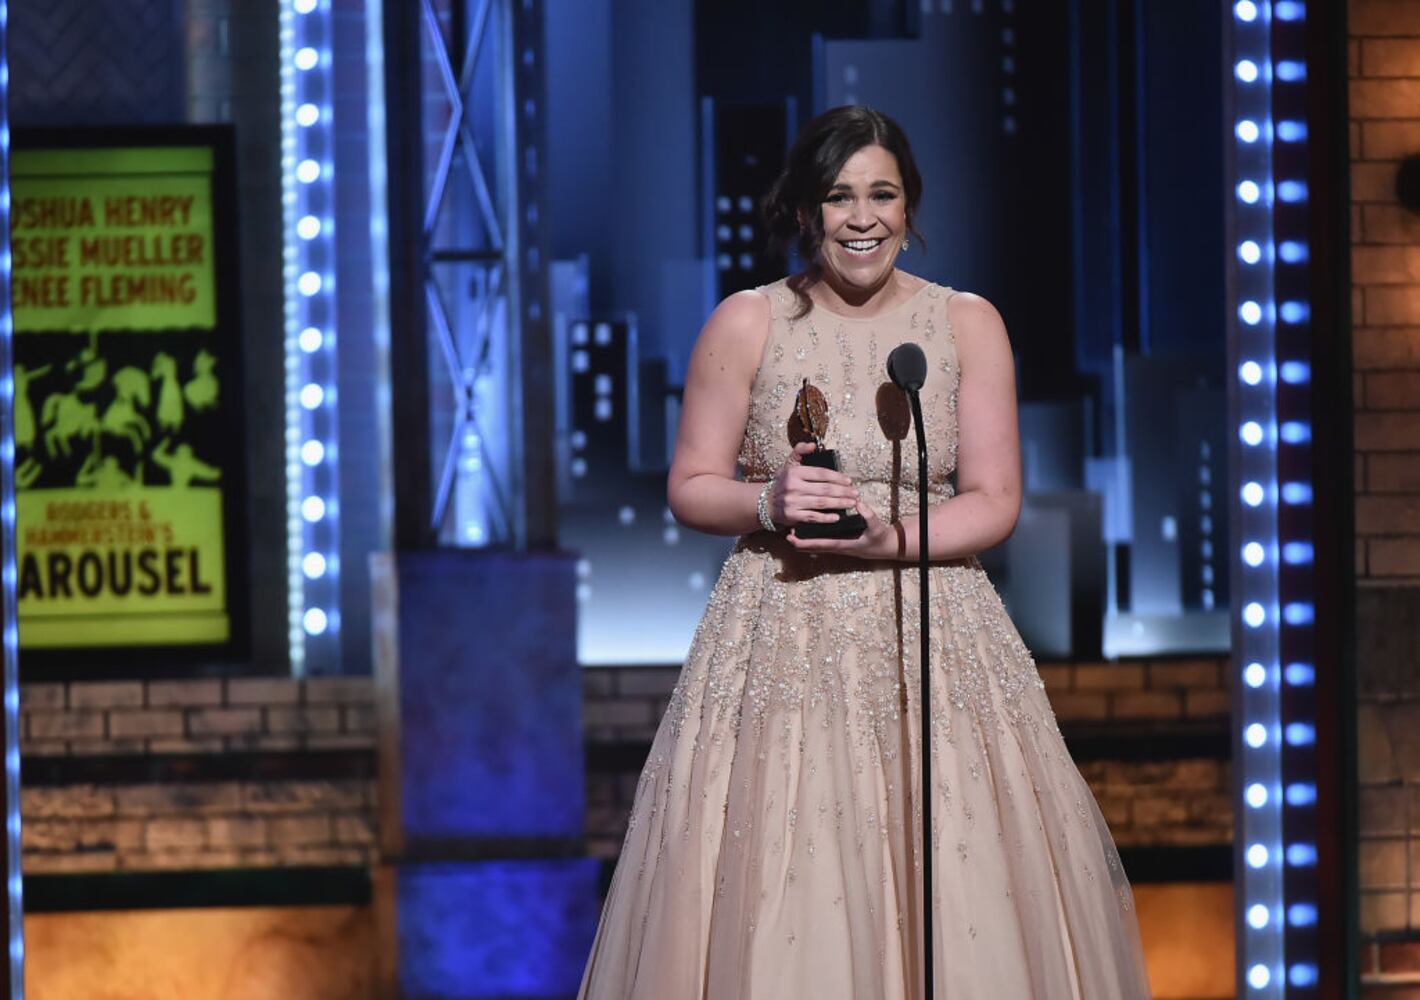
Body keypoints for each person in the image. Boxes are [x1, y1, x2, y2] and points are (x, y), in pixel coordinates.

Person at [577, 105, 1152, 999]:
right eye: (838, 196)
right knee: (787, 878)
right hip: (781, 629)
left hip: (932, 627)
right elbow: (692, 483)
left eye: (881, 194)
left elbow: (996, 502)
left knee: (955, 874)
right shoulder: (746, 321)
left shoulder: (966, 324)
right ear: (806, 211)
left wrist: (893, 540)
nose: (862, 217)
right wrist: (766, 499)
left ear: (910, 205)